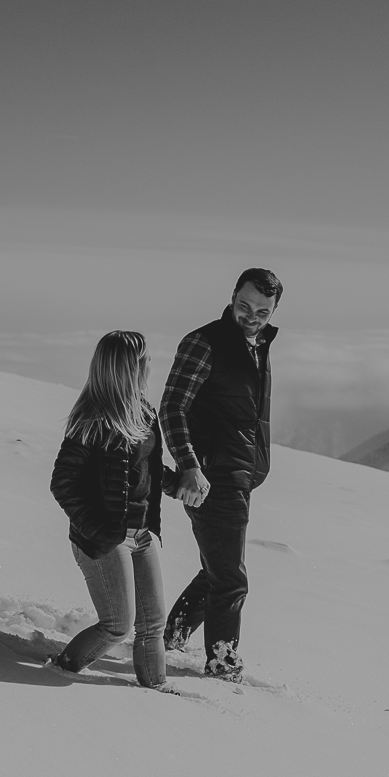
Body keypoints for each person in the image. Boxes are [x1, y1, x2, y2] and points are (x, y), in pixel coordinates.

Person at [160, 267, 282, 680]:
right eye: (244, 305)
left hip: (240, 474)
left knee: (220, 567)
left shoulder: (258, 344)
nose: (251, 316)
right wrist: (191, 466)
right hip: (211, 476)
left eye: (262, 311)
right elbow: (172, 408)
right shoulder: (204, 342)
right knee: (230, 578)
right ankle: (222, 663)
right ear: (232, 296)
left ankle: (172, 635)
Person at [48, 330, 177, 688]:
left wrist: (176, 484)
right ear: (130, 367)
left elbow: (145, 469)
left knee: (153, 624)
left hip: (142, 534)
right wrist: (101, 532)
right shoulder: (92, 419)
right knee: (118, 625)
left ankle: (156, 689)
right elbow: (63, 483)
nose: (151, 364)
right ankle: (63, 665)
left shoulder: (143, 412)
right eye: (146, 359)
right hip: (104, 539)